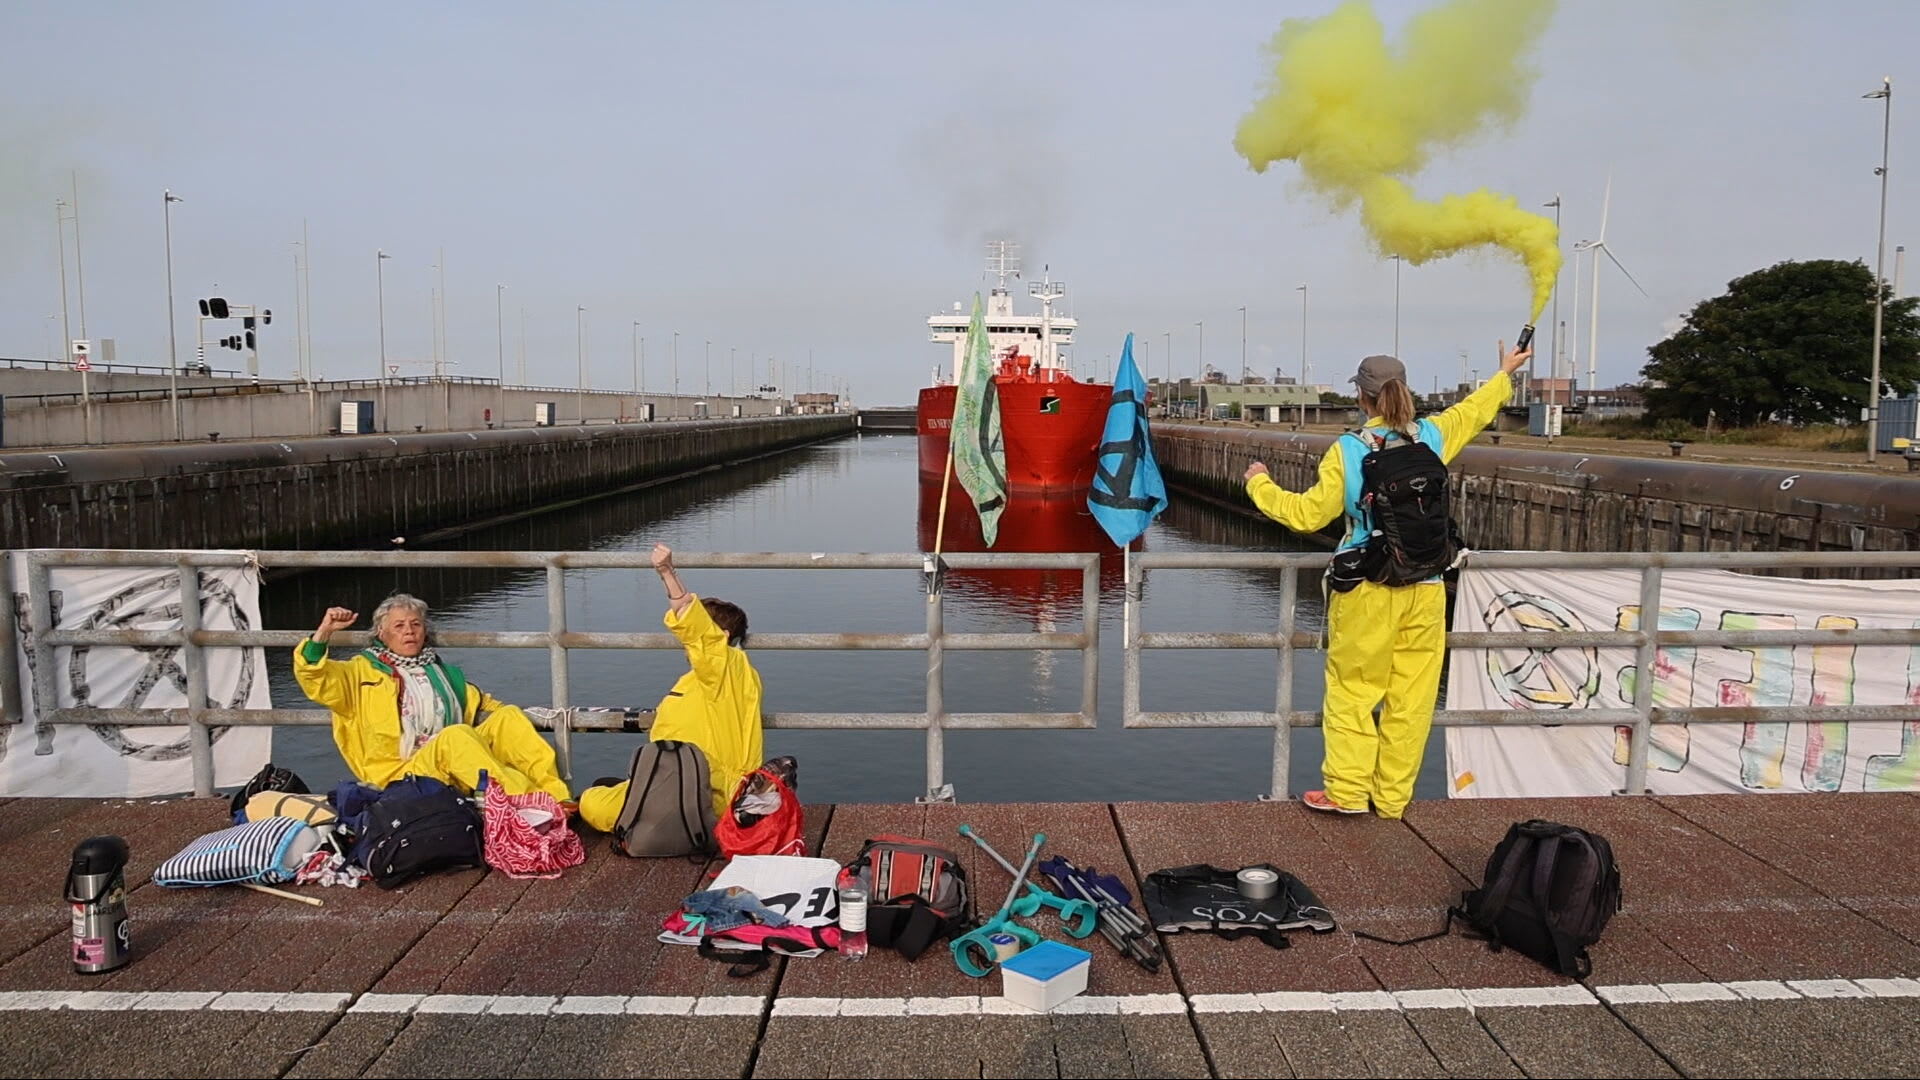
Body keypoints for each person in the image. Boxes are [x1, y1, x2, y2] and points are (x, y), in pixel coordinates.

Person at [1242, 341, 1531, 819]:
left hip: (1368, 590)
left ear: (1362, 397)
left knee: (1354, 694)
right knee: (1412, 700)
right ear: (1405, 391)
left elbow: (1309, 515)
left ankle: (1349, 793)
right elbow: (1475, 410)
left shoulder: (1350, 450)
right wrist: (1505, 373)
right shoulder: (1434, 437)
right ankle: (1392, 800)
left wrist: (1259, 483)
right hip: (1427, 585)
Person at [294, 593, 572, 803]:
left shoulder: (444, 674)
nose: (409, 631)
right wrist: (324, 632)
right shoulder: (359, 673)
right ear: (381, 633)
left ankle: (557, 796)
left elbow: (485, 706)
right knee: (456, 736)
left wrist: (555, 718)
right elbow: (314, 677)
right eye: (399, 625)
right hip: (399, 774)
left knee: (508, 717)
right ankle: (527, 802)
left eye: (415, 624)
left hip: (446, 764)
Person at [577, 543, 764, 832]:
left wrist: (667, 572)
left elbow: (696, 626)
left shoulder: (726, 666)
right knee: (599, 795)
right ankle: (630, 790)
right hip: (682, 781)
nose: (685, 639)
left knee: (592, 803)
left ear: (722, 636)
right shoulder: (714, 675)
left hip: (704, 792)